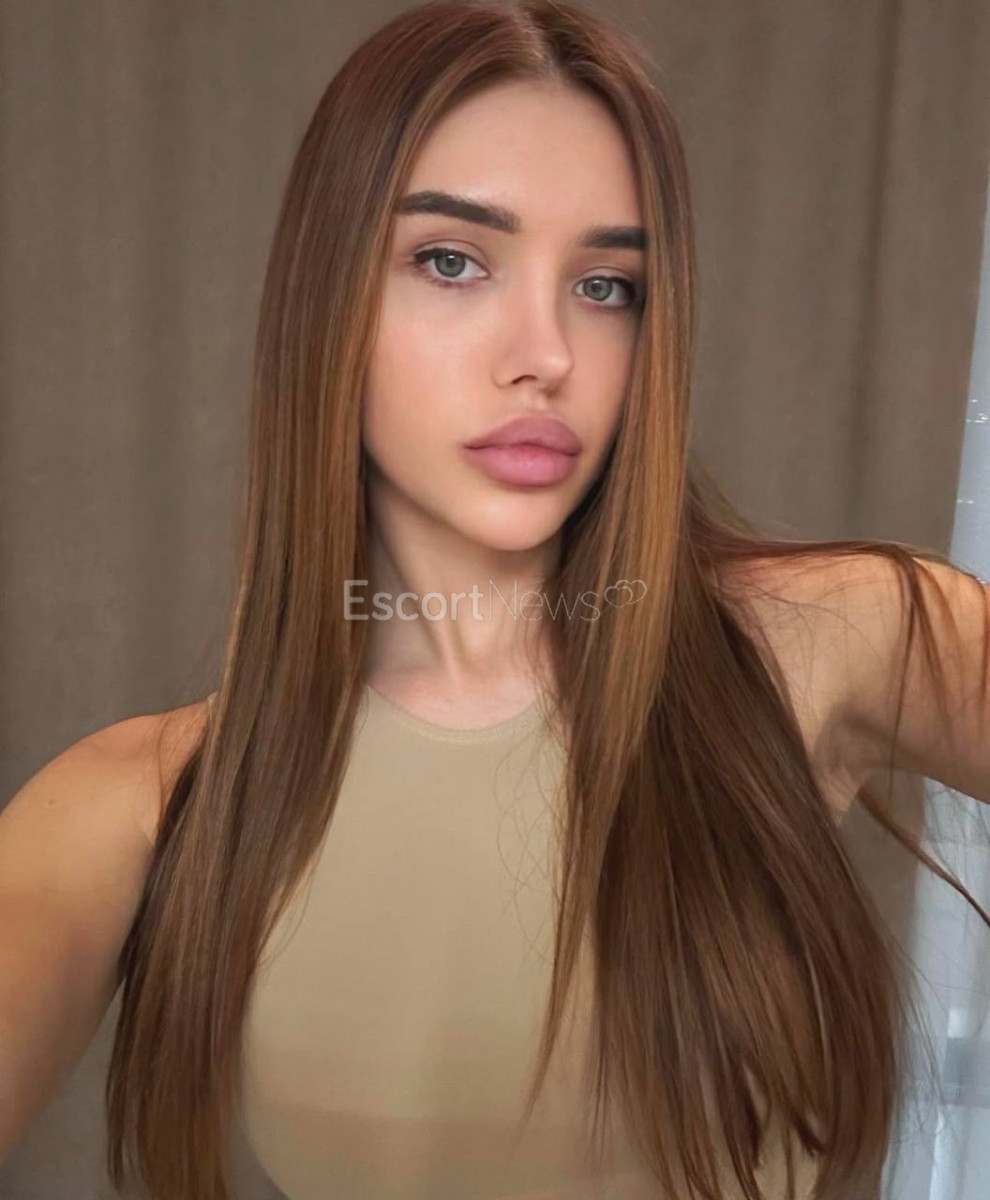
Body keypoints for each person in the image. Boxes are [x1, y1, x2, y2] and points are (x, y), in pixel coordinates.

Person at [2, 1, 988, 1197]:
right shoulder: (148, 806)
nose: (547, 353)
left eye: (607, 285)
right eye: (452, 261)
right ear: (327, 298)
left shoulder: (831, 637)